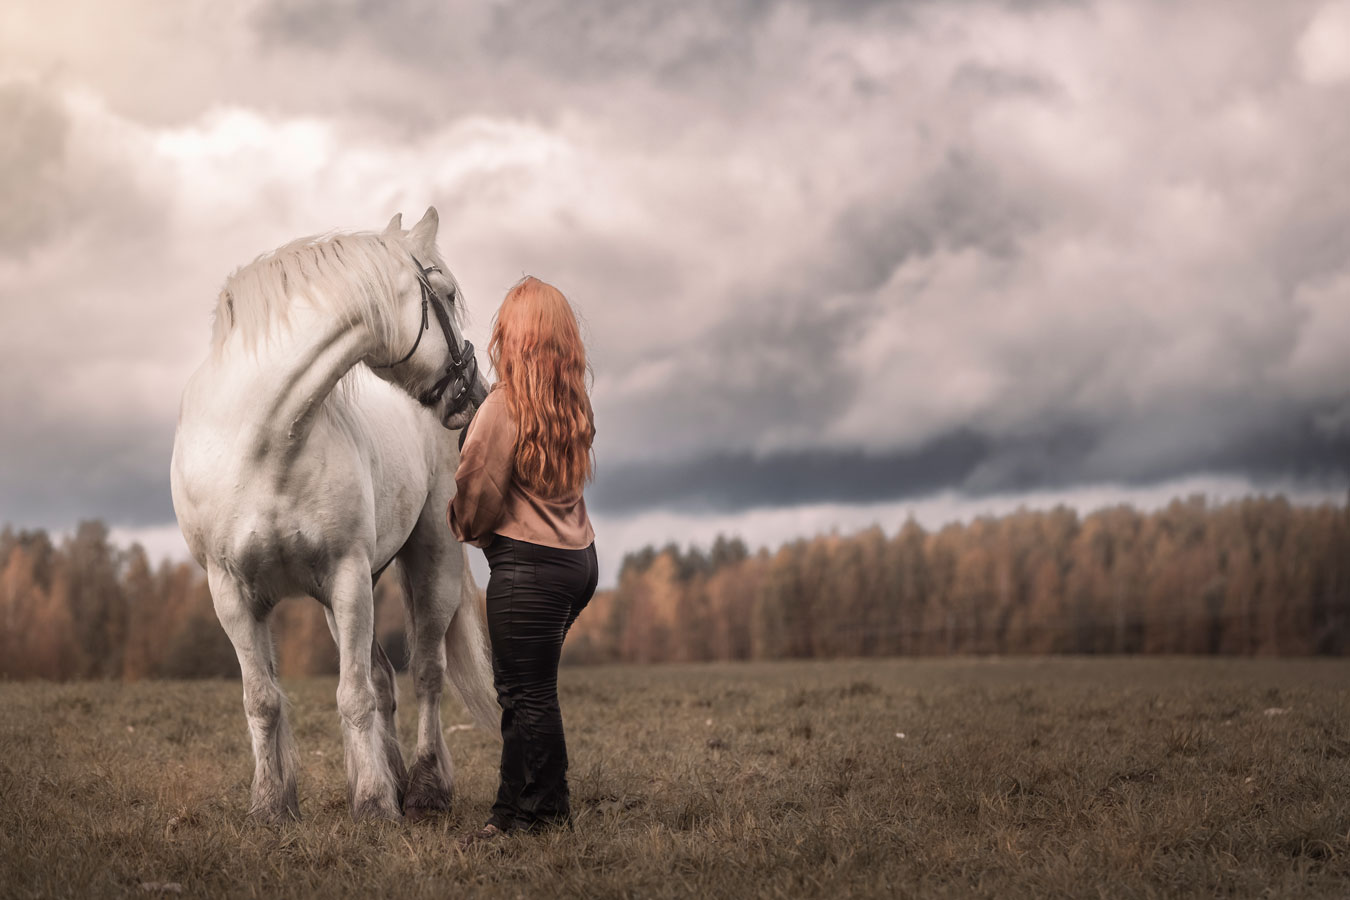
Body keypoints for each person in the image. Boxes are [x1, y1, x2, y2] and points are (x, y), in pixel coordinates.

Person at [447, 276, 598, 848]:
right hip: (576, 561)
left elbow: (476, 498)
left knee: (527, 696)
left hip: (528, 571)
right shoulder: (571, 403)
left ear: (516, 339)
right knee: (524, 692)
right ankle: (509, 812)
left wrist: (461, 523)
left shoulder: (502, 406)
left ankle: (541, 819)